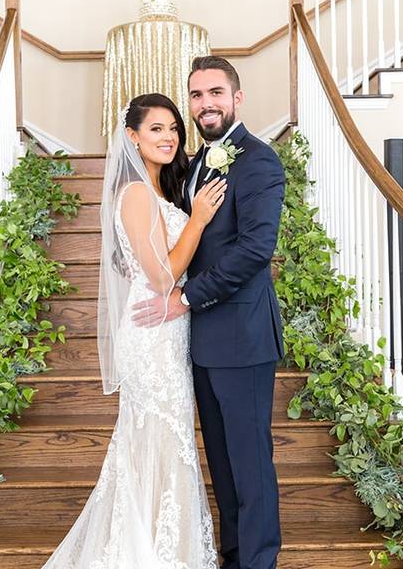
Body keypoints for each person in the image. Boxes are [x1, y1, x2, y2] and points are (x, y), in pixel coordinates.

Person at [41, 92, 227, 568]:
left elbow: (145, 267)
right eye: (156, 130)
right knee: (160, 440)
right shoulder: (137, 193)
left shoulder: (159, 191)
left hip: (168, 325)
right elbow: (164, 276)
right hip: (152, 332)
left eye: (173, 129)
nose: (168, 138)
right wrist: (200, 221)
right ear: (132, 136)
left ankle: (163, 550)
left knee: (169, 444)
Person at [132, 56, 286, 569]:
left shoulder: (259, 161)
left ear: (237, 98)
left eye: (215, 93)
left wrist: (186, 298)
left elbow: (254, 250)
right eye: (196, 96)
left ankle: (259, 561)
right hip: (197, 345)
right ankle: (234, 557)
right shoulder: (195, 163)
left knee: (250, 465)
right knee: (221, 466)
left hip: (241, 337)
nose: (206, 104)